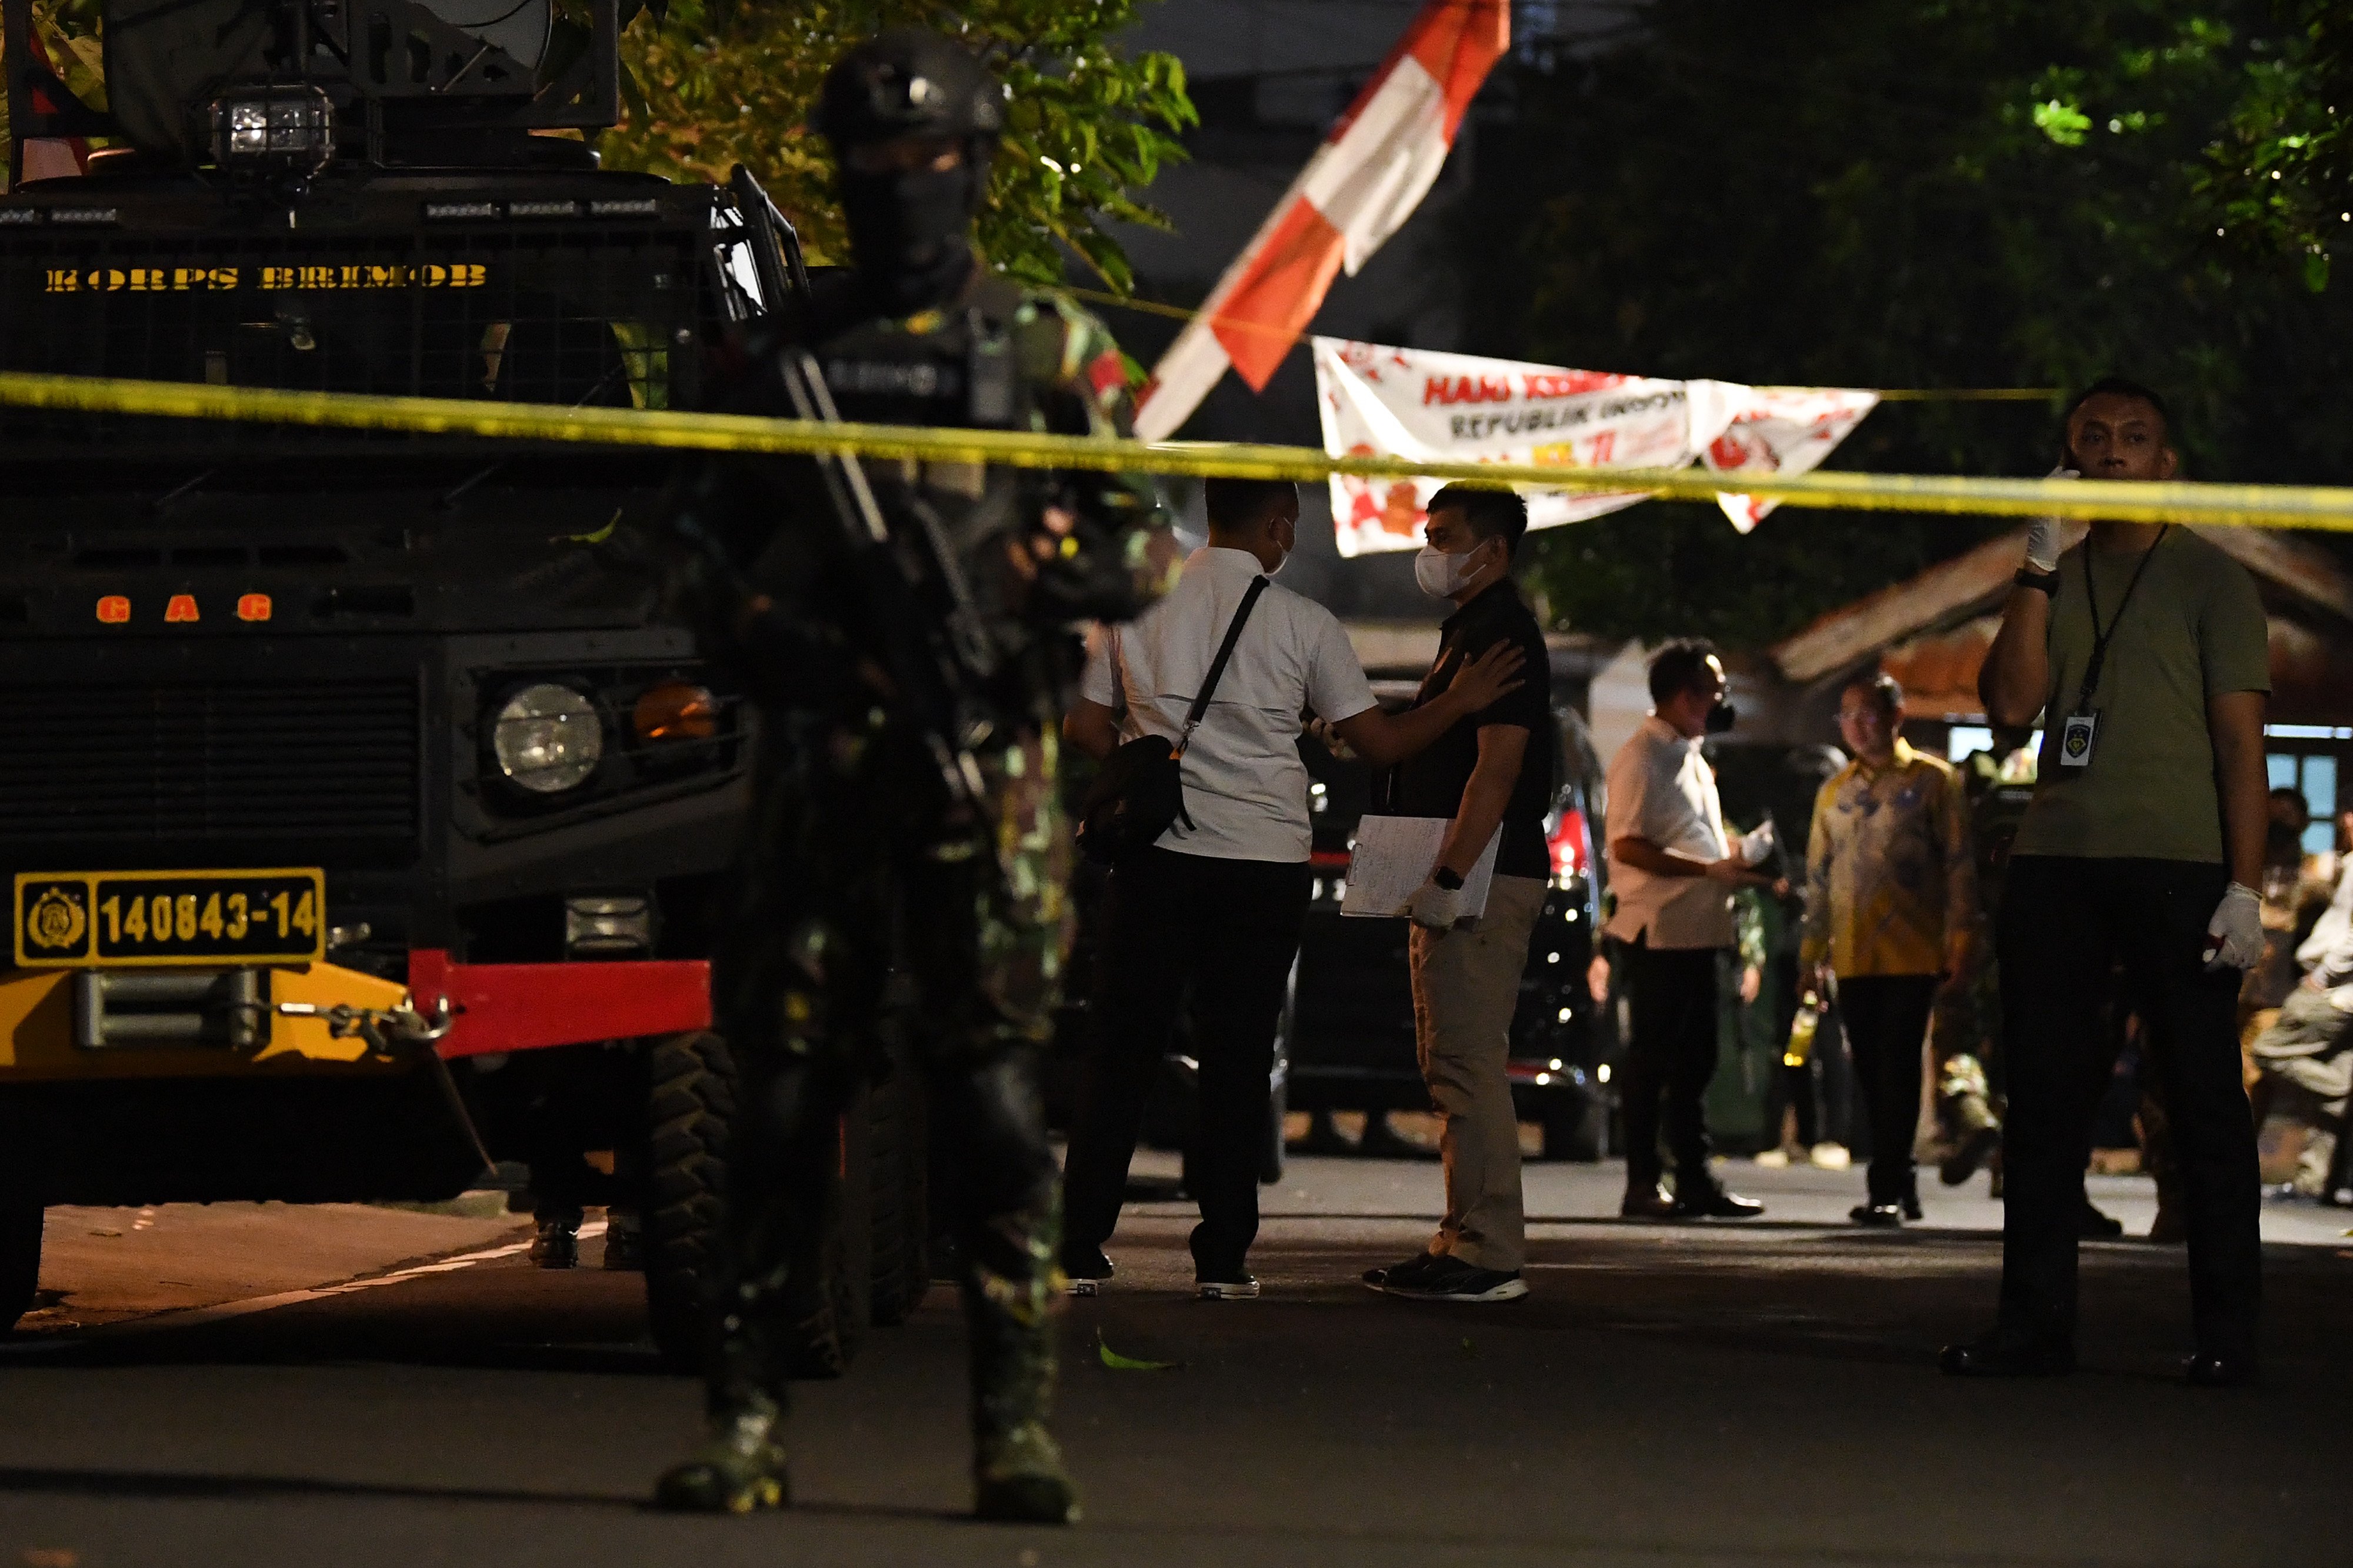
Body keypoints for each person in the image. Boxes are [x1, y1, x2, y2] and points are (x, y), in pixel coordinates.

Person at [648, 30, 1178, 1523]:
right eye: (877, 166)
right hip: (823, 762)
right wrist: (786, 639)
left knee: (998, 1105)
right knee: (777, 1101)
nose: (905, 189)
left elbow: (1144, 540)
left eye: (932, 161)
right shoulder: (786, 360)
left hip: (992, 772)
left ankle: (1014, 1427)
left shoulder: (1048, 350)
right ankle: (745, 1421)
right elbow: (687, 541)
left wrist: (1031, 573)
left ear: (976, 166)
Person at [1059, 478, 1525, 1300]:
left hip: (1155, 860)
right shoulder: (1304, 623)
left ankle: (1080, 1240)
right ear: (1278, 526)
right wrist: (1459, 701)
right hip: (1263, 868)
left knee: (1121, 1048)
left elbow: (1086, 726)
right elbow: (1380, 743)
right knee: (1237, 1059)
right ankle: (1224, 1254)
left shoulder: (1131, 612)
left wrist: (1149, 766)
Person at [1942, 376, 2271, 1387]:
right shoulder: (2055, 574)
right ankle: (2034, 1327)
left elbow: (2241, 747)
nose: (2115, 450)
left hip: (2180, 867)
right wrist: (2035, 564)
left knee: (2207, 1101)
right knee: (2043, 1100)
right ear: (2067, 460)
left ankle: (2228, 1336)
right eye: (2094, 437)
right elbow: (2008, 709)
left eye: (2136, 437)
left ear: (2168, 463)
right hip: (2057, 864)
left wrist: (2247, 888)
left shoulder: (2214, 581)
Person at [1360, 485, 1555, 1303]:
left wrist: (1447, 873)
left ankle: (1486, 1249)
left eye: (1444, 537)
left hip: (1482, 868)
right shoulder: (1471, 628)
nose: (1429, 550)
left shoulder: (1502, 630)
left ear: (1494, 550)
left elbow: (1498, 766)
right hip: (1463, 864)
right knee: (1451, 1059)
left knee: (1467, 1058)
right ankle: (1462, 1235)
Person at [1603, 640, 1782, 1220]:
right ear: (1685, 695)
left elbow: (1686, 833)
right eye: (1713, 690)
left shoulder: (1689, 753)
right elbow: (1627, 843)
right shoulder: (1643, 756)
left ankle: (1694, 1178)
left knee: (1696, 1061)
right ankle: (1642, 1182)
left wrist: (1734, 852)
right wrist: (1708, 867)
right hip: (1660, 933)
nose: (1719, 700)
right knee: (1653, 1060)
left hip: (1700, 930)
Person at [1800, 672, 1976, 1227]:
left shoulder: (1933, 781)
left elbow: (1959, 865)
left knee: (1898, 1066)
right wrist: (1812, 956)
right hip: (1854, 954)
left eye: (1867, 712)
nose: (1856, 724)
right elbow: (1819, 881)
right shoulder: (1835, 791)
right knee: (1872, 1073)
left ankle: (1886, 1188)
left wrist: (1962, 938)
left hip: (1913, 950)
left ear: (1895, 716)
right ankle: (1901, 1179)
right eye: (1847, 715)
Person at [2248, 835, 2353, 1204]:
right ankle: (2314, 1180)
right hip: (2343, 992)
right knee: (2337, 1074)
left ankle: (2344, 1091)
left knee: (2268, 1051)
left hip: (2334, 992)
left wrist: (2324, 975)